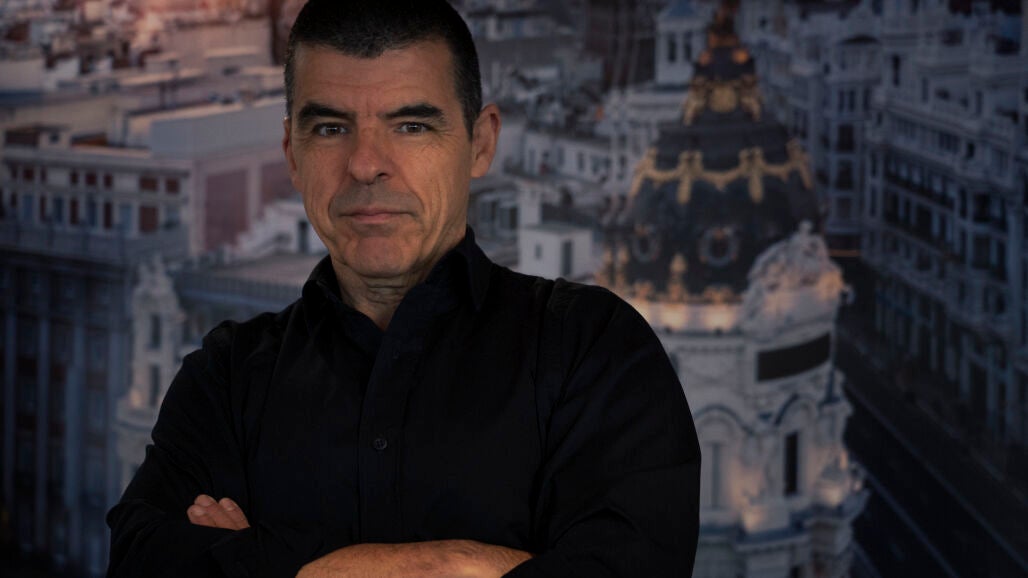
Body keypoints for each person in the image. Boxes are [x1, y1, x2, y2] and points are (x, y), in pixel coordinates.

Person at [106, 1, 701, 576]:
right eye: (331, 127)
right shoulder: (224, 379)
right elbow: (143, 560)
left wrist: (261, 562)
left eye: (412, 126)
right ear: (292, 154)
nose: (366, 164)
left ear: (481, 143)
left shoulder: (594, 352)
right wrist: (455, 565)